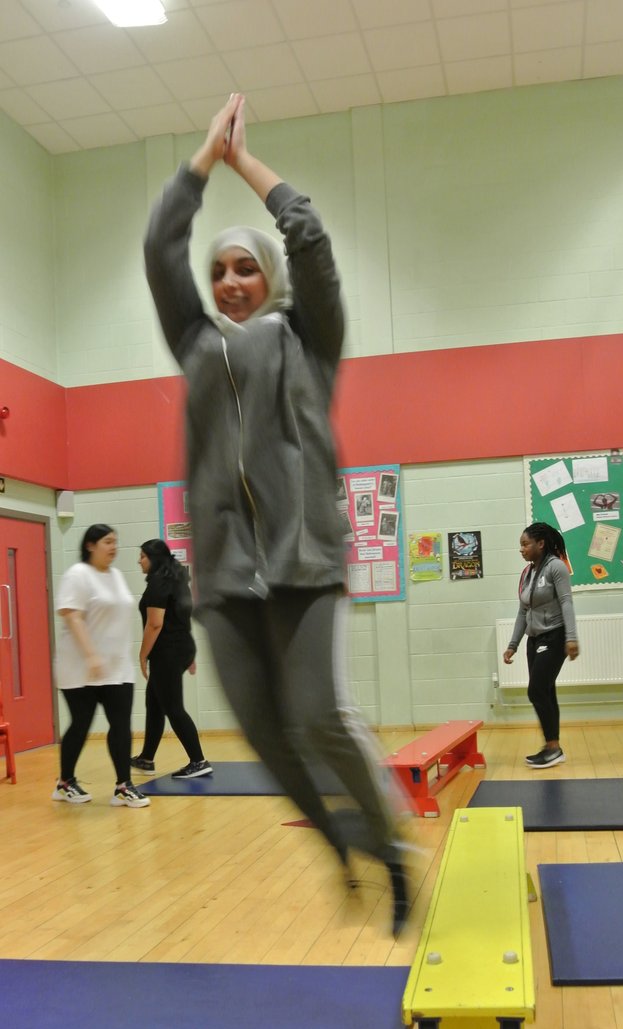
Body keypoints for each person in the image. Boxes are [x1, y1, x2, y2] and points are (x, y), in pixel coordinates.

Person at [144, 93, 410, 935]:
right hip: (224, 577)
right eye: (219, 271)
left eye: (245, 268)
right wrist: (197, 161)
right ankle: (339, 843)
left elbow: (309, 235)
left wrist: (241, 161)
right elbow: (159, 247)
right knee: (262, 733)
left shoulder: (309, 336)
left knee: (318, 717)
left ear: (271, 277)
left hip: (303, 560)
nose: (229, 282)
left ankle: (388, 845)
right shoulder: (194, 345)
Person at [53, 525, 149, 808]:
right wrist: (91, 655)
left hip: (117, 668)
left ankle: (123, 786)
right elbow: (72, 616)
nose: (113, 547)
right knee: (81, 723)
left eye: (115, 542)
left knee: (121, 725)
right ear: (90, 545)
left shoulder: (116, 576)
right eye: (107, 542)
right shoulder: (78, 575)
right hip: (80, 668)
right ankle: (65, 782)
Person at [131, 539, 212, 780]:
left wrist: (142, 655)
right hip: (179, 648)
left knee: (173, 708)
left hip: (168, 651)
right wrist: (189, 654)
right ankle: (146, 758)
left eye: (143, 556)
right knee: (154, 702)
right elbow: (182, 615)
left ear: (153, 559)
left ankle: (198, 761)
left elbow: (155, 624)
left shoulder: (159, 582)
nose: (139, 561)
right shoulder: (176, 578)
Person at [503, 522, 579, 768]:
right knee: (546, 691)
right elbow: (522, 611)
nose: (521, 549)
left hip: (554, 636)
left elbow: (566, 602)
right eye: (521, 545)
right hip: (534, 639)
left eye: (525, 544)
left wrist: (571, 638)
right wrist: (513, 644)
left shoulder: (556, 567)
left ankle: (552, 747)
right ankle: (553, 747)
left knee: (536, 691)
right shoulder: (527, 573)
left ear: (541, 544)